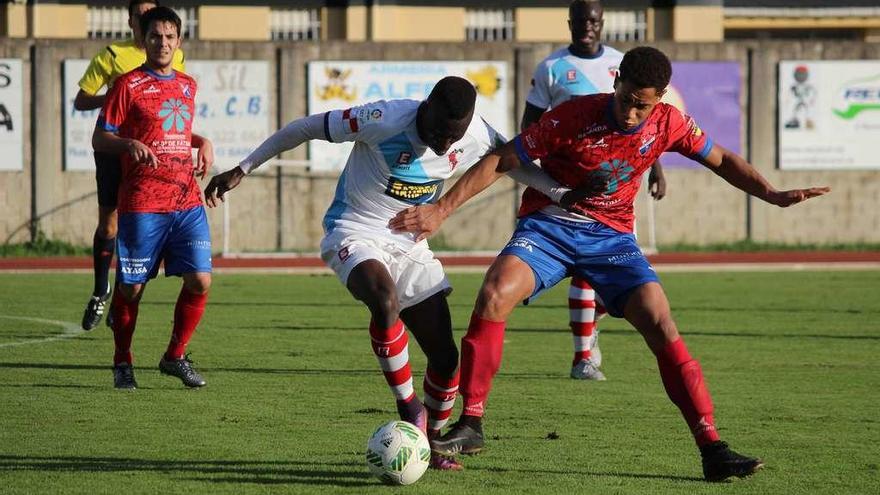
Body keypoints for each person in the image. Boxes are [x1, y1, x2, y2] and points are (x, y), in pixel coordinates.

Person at [389, 46, 830, 481]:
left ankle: (712, 446)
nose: (632, 113)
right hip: (550, 225)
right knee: (494, 293)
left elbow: (721, 159)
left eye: (643, 105)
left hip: (612, 238)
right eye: (626, 99)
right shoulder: (574, 116)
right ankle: (472, 423)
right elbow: (503, 159)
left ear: (659, 99)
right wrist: (441, 209)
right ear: (615, 80)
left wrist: (770, 193)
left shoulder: (669, 122)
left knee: (660, 322)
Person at [204, 76, 580, 471]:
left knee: (446, 357)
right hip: (355, 230)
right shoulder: (383, 117)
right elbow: (305, 127)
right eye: (438, 133)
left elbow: (512, 162)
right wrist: (243, 168)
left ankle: (433, 444)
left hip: (410, 244)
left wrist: (562, 195)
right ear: (426, 108)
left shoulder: (476, 133)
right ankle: (410, 409)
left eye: (454, 138)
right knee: (385, 302)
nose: (445, 145)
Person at [522, 0, 667, 381]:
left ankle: (594, 323)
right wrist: (542, 183)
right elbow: (529, 128)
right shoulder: (551, 68)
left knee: (609, 283)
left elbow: (643, 126)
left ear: (602, 24)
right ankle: (582, 357)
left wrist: (656, 169)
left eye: (594, 20)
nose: (587, 26)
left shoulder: (622, 64)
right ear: (570, 23)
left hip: (616, 186)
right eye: (581, 20)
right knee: (584, 273)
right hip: (568, 187)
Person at [92, 6, 214, 390]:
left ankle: (175, 356)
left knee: (200, 280)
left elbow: (174, 130)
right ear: (143, 40)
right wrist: (128, 144)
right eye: (155, 36)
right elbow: (101, 137)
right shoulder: (126, 86)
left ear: (178, 41)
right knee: (131, 288)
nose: (162, 42)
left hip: (186, 199)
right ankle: (122, 361)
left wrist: (202, 141)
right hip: (144, 201)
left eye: (169, 36)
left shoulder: (188, 85)